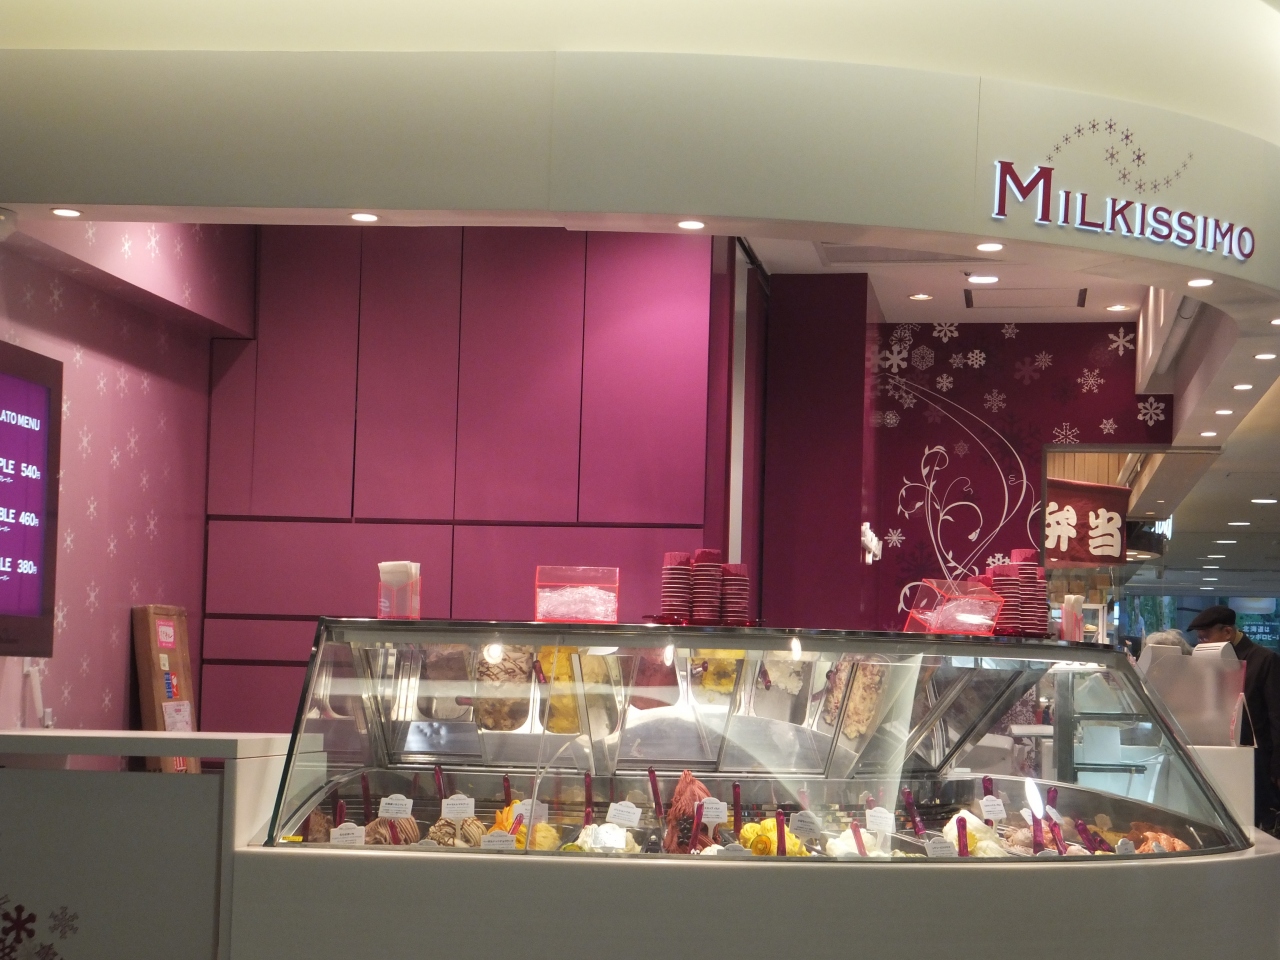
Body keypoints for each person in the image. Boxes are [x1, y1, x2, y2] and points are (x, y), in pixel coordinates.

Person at [1188, 605, 1280, 833]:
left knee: (1261, 826)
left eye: (1205, 637)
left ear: (1227, 632)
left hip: (1257, 759)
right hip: (1220, 756)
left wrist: (1277, 766)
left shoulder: (1264, 660)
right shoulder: (1208, 661)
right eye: (1199, 639)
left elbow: (1276, 715)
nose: (1201, 644)